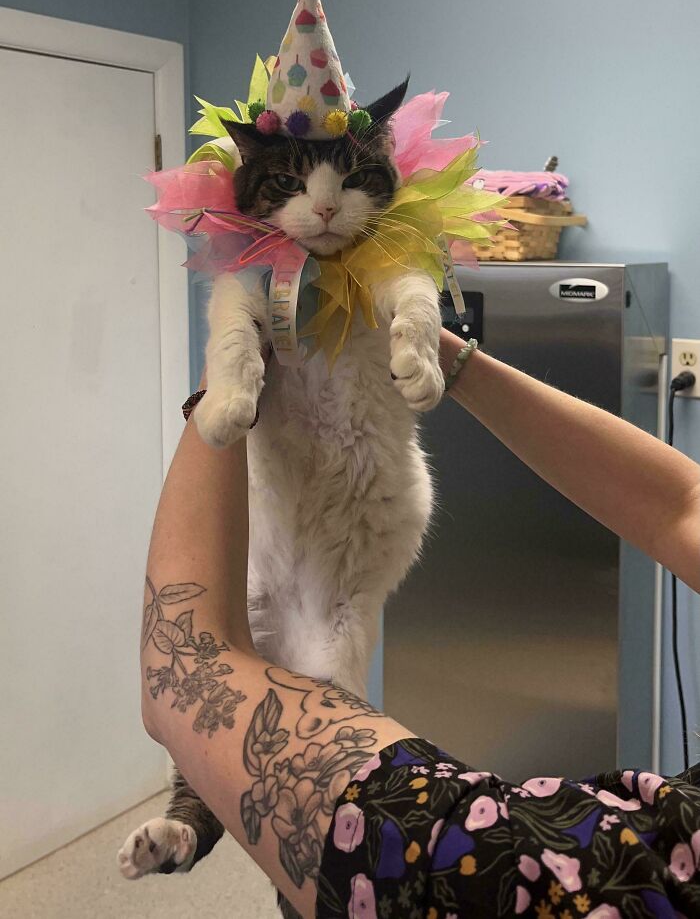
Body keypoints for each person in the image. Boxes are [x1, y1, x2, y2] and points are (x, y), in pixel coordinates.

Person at [137, 331, 700, 918]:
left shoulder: (580, 880)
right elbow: (683, 500)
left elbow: (181, 674)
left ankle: (195, 823)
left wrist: (219, 377)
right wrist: (442, 352)